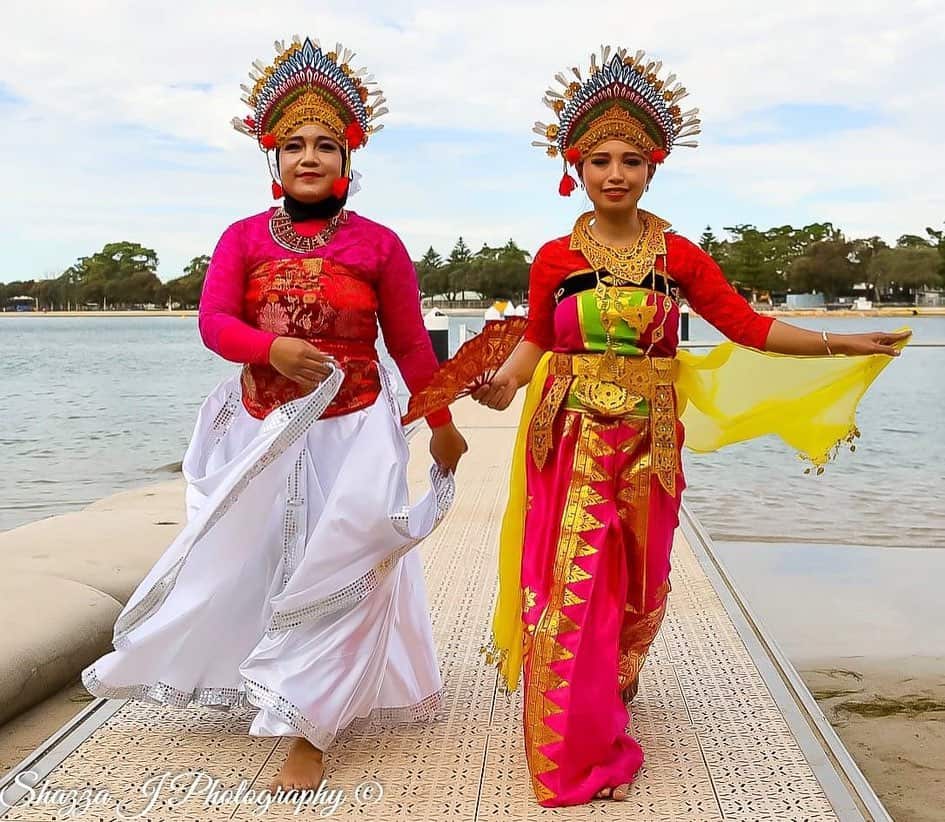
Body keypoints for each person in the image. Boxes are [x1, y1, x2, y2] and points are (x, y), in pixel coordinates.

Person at [473, 45, 909, 807]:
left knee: (641, 586)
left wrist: (844, 340)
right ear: (573, 167)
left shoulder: (677, 256)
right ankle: (570, 758)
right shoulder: (552, 258)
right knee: (574, 590)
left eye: (630, 160)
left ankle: (609, 690)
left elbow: (747, 326)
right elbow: (538, 338)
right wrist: (506, 384)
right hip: (570, 436)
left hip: (651, 439)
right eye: (599, 159)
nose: (614, 173)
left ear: (653, 168)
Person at [82, 35, 467, 793]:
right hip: (262, 430)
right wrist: (273, 349)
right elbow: (214, 324)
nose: (310, 157)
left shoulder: (379, 246)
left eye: (326, 143)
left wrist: (444, 421)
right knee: (249, 564)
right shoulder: (243, 238)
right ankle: (266, 679)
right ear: (272, 156)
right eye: (294, 144)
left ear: (349, 155)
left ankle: (308, 729)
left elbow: (413, 347)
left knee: (345, 565)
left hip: (357, 429)